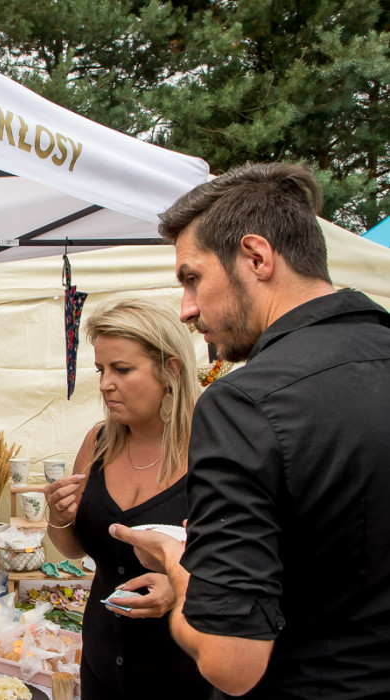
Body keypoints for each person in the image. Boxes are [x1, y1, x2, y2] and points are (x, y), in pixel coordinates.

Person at [111, 162, 390, 698]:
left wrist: (177, 563)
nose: (187, 310)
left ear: (256, 257)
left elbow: (231, 662)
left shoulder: (244, 402)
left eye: (192, 278)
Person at [43, 299, 208, 700]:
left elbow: (253, 566)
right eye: (101, 370)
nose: (105, 384)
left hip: (185, 671)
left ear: (171, 371)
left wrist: (182, 588)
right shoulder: (98, 442)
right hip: (102, 662)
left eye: (122, 369)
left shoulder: (212, 449)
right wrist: (59, 516)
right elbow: (74, 549)